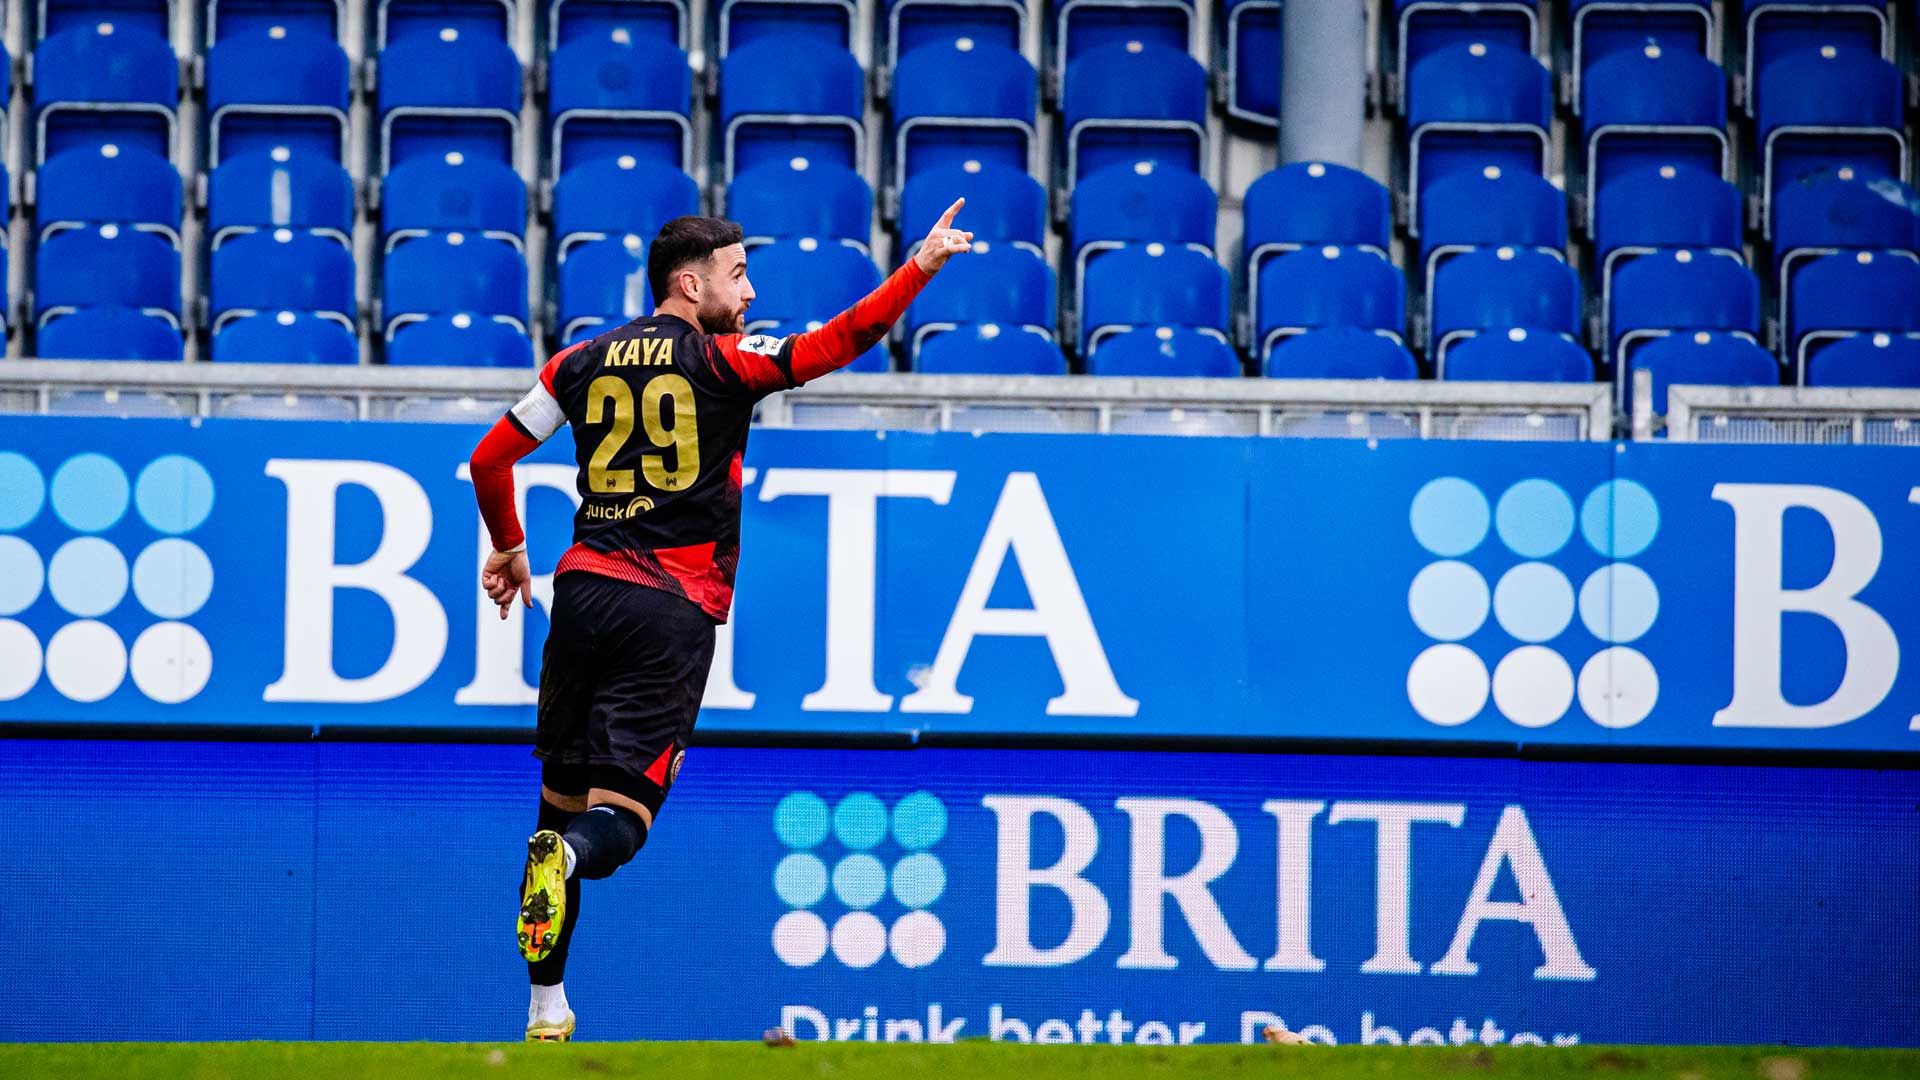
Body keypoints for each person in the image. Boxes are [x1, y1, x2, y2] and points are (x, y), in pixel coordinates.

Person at [466, 200, 975, 1042]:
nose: (750, 293)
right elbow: (839, 340)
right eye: (738, 276)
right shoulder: (726, 361)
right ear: (688, 284)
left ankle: (545, 1008)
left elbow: (489, 460)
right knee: (617, 821)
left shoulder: (576, 362)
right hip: (667, 606)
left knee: (553, 813)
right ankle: (572, 861)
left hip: (581, 591)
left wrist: (512, 547)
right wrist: (918, 265)